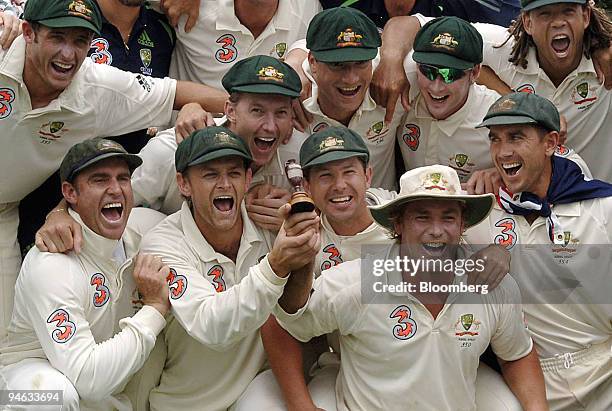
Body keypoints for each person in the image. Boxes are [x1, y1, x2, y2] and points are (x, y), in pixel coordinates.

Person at [0, 0, 225, 342]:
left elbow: (176, 92)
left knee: (7, 341)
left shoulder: (96, 87)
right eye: (57, 37)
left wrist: (258, 106)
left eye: (79, 41)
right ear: (29, 32)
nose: (67, 54)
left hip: (4, 212)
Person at [274, 164, 549, 411]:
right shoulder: (354, 283)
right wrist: (301, 406)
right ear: (398, 224)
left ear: (463, 224)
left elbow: (517, 355)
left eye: (448, 218)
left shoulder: (492, 285)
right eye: (422, 217)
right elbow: (282, 325)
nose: (436, 230)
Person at [134, 126, 320, 410]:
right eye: (210, 174)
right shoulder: (162, 244)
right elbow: (211, 327)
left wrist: (305, 255)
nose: (224, 184)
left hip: (259, 389)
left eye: (234, 173)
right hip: (188, 402)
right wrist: (276, 265)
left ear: (248, 179)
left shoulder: (273, 226)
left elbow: (296, 311)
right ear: (183, 184)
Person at [0, 138, 170, 410]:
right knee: (53, 396)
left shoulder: (146, 231)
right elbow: (88, 380)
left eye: (123, 178)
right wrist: (155, 307)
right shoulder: (51, 265)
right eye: (100, 180)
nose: (115, 189)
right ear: (70, 193)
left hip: (100, 381)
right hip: (24, 384)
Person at [470, 91, 612, 410]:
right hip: (529, 383)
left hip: (605, 371)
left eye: (516, 137)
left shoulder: (602, 208)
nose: (503, 152)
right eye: (495, 139)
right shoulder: (476, 214)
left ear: (550, 143)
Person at [370, 0, 612, 182]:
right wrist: (390, 60)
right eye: (545, 14)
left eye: (568, 11)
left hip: (596, 204)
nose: (558, 22)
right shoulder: (503, 47)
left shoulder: (606, 61)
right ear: (527, 22)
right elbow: (411, 24)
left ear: (586, 15)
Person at [291, 6, 404, 190]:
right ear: (312, 62)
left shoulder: (394, 80)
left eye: (360, 63)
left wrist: (393, 55)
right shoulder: (291, 97)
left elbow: (414, 24)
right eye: (337, 64)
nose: (351, 78)